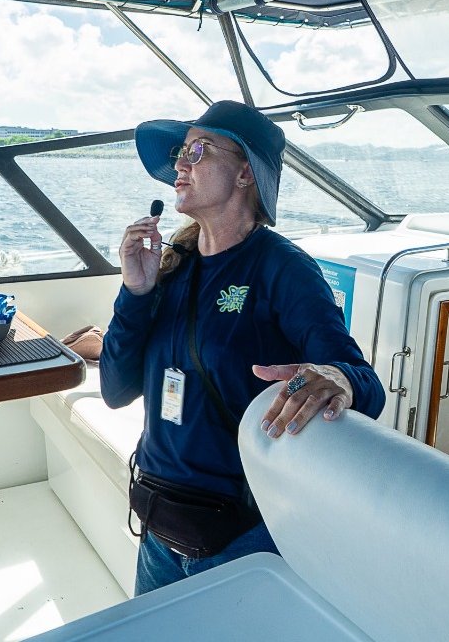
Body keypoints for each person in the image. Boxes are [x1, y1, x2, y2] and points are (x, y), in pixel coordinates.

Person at [101, 100, 385, 595]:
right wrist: (135, 292)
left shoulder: (282, 268)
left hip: (240, 534)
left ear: (245, 174)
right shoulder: (171, 267)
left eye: (199, 149)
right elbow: (115, 389)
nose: (180, 164)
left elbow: (362, 381)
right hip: (158, 522)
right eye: (180, 151)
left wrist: (339, 377)